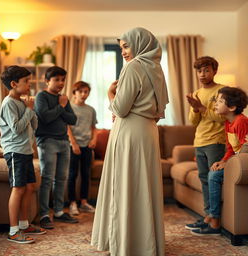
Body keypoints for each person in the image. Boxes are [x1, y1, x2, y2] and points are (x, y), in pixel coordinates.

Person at [91, 27, 169, 256]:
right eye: (121, 47)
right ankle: (144, 242)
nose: (123, 51)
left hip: (129, 132)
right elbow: (157, 110)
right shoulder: (156, 69)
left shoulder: (134, 66)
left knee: (125, 184)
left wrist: (110, 95)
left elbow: (121, 108)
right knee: (142, 186)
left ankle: (126, 242)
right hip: (148, 131)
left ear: (139, 44)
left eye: (126, 46)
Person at [191, 86, 248, 235]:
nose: (215, 103)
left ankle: (214, 218)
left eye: (220, 101)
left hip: (242, 163)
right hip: (234, 161)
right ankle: (212, 216)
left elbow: (244, 149)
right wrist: (222, 161)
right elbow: (230, 149)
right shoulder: (228, 123)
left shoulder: (241, 121)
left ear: (232, 107)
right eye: (216, 100)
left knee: (214, 175)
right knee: (213, 170)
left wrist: (227, 164)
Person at [0, 66, 46, 244]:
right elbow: (17, 128)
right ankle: (13, 230)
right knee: (18, 188)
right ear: (13, 84)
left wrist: (31, 110)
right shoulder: (9, 103)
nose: (30, 84)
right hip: (14, 151)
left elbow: (34, 126)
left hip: (26, 150)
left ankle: (24, 224)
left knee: (28, 187)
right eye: (26, 81)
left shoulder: (22, 102)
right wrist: (28, 110)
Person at [185, 56, 226, 231]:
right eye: (199, 71)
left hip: (215, 141)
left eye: (206, 70)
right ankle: (208, 216)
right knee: (203, 179)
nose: (202, 74)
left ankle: (213, 217)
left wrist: (202, 108)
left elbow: (222, 117)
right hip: (199, 141)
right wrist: (195, 108)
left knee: (213, 179)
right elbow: (193, 121)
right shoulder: (196, 93)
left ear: (214, 71)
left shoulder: (222, 91)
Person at [34, 66, 78, 229]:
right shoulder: (41, 96)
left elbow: (73, 120)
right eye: (57, 79)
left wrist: (60, 108)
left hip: (63, 142)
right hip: (47, 142)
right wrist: (61, 107)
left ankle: (59, 211)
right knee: (47, 179)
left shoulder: (63, 98)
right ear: (47, 81)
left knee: (61, 178)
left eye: (63, 79)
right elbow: (44, 117)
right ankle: (44, 214)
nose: (61, 83)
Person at [67, 81, 97, 215]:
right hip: (73, 146)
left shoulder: (91, 110)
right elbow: (67, 128)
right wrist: (73, 143)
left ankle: (84, 202)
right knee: (72, 174)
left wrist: (94, 139)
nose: (84, 94)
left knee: (86, 174)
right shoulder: (69, 108)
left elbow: (93, 127)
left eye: (86, 92)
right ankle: (73, 203)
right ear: (75, 93)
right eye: (81, 91)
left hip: (87, 146)